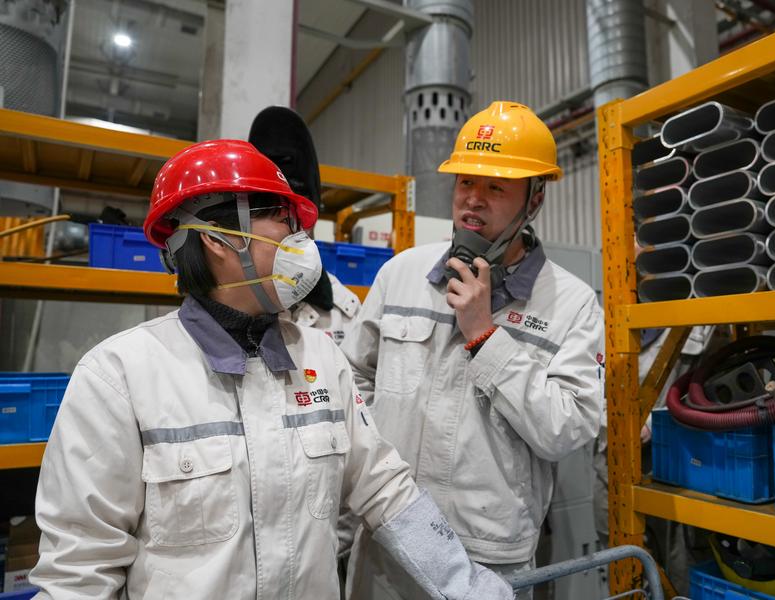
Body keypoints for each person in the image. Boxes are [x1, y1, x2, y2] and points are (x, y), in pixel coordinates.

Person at [28, 139, 512, 599]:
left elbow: (384, 486)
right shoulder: (120, 376)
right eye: (282, 220)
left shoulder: (321, 358)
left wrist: (465, 583)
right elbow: (80, 569)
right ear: (217, 238)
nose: (300, 239)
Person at [342, 101, 605, 599]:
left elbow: (567, 429)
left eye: (496, 187)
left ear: (535, 198)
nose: (473, 200)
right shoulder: (401, 274)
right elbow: (350, 381)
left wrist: (486, 336)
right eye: (466, 182)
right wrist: (378, 480)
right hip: (386, 542)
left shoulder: (570, 304)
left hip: (487, 557)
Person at [249, 105, 360, 346]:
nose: (288, 230)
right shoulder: (232, 307)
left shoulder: (345, 312)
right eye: (272, 214)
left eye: (299, 213)